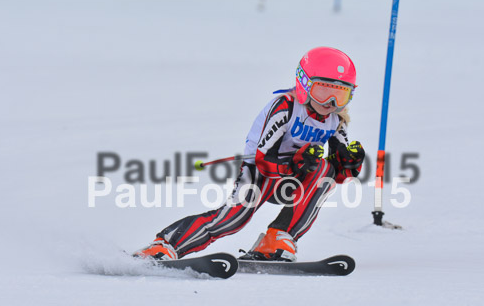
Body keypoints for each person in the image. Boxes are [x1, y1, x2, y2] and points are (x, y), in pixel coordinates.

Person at [133, 47, 365, 262]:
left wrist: (349, 163)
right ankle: (165, 245)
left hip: (292, 180)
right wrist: (296, 163)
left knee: (324, 172)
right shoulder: (286, 107)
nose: (331, 102)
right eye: (322, 90)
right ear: (304, 83)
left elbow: (337, 174)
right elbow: (264, 157)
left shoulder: (337, 120)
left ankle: (277, 240)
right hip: (261, 172)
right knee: (233, 219)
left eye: (341, 94)